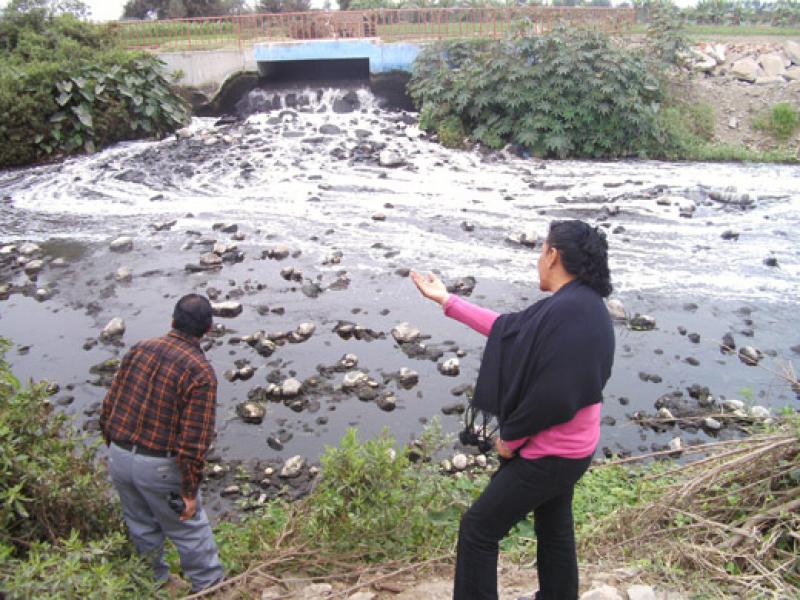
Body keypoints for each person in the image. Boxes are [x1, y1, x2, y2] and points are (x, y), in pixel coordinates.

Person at [411, 220, 615, 600]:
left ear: (553, 255)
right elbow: (508, 329)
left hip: (550, 453)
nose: (539, 259)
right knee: (554, 526)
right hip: (575, 449)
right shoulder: (582, 305)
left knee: (478, 529)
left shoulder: (567, 313)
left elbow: (555, 396)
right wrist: (447, 300)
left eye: (541, 250)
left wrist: (510, 437)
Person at [99, 294, 225, 593]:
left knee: (140, 525)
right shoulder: (200, 372)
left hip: (119, 455)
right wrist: (189, 490)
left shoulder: (140, 349)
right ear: (208, 329)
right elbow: (195, 441)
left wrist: (113, 447)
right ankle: (210, 589)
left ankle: (155, 584)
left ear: (172, 320)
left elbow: (109, 404)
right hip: (158, 467)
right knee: (189, 530)